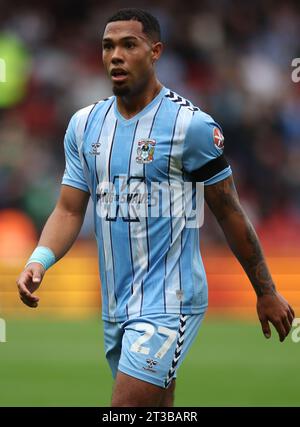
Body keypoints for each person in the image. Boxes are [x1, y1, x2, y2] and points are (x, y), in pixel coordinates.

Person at [16, 8, 295, 407]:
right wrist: (39, 260)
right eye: (108, 46)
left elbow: (229, 211)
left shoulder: (190, 126)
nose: (116, 55)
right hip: (115, 305)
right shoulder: (84, 125)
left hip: (170, 301)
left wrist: (265, 291)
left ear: (155, 52)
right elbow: (70, 210)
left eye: (129, 45)